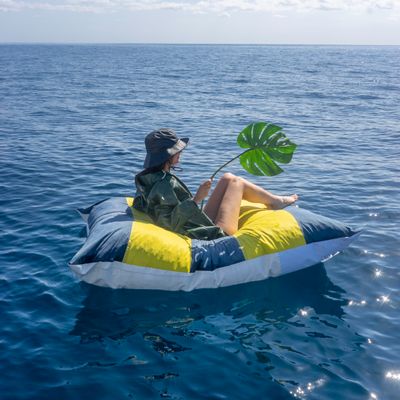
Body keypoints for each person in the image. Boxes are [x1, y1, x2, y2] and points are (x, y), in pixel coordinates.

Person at [133, 128, 298, 240]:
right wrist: (197, 199)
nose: (180, 154)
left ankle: (275, 200)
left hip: (194, 223)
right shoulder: (162, 183)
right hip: (207, 235)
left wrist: (195, 203)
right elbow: (170, 222)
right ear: (167, 156)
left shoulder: (149, 178)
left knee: (227, 177)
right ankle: (276, 201)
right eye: (177, 152)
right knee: (236, 182)